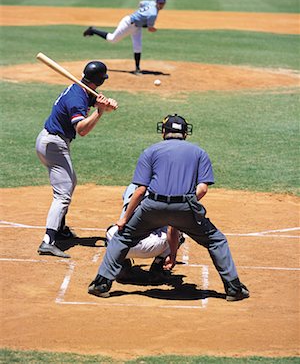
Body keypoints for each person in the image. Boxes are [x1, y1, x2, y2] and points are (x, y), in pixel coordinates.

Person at [88, 114, 249, 302]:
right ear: (185, 133)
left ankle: (101, 284)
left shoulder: (150, 151)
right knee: (216, 240)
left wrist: (125, 219)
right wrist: (186, 203)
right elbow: (202, 189)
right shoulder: (199, 152)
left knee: (123, 238)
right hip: (185, 207)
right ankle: (234, 288)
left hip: (152, 207)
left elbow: (140, 190)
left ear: (163, 132)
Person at [36, 61, 118, 258]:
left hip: (50, 142)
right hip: (54, 145)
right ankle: (48, 241)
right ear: (100, 80)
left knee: (70, 182)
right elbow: (81, 130)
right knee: (62, 194)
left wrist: (103, 104)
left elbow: (89, 101)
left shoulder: (79, 89)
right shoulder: (76, 97)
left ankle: (61, 228)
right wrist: (100, 112)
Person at [106, 183, 184, 282]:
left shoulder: (131, 187)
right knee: (177, 230)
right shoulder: (166, 191)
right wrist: (173, 255)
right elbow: (171, 230)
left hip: (122, 244)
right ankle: (158, 269)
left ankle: (122, 267)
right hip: (151, 246)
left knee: (111, 231)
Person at [83, 0, 167, 75]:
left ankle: (137, 69)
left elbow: (141, 3)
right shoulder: (153, 14)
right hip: (128, 24)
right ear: (157, 2)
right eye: (160, 3)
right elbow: (150, 29)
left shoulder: (151, 3)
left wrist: (140, 15)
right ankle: (92, 30)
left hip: (137, 27)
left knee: (138, 46)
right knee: (112, 39)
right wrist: (154, 29)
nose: (161, 5)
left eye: (162, 3)